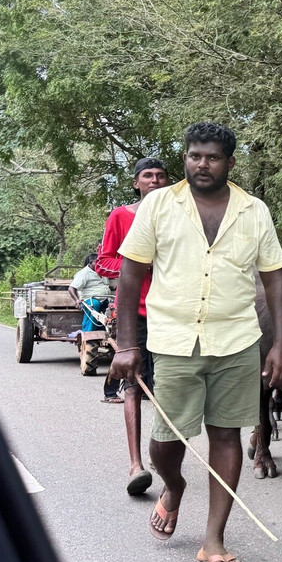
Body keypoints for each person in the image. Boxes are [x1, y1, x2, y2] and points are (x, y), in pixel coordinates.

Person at [110, 122, 282, 562]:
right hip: (173, 340)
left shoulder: (254, 211)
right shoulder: (159, 205)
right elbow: (131, 274)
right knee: (165, 443)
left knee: (226, 434)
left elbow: (274, 278)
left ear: (229, 162)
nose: (201, 164)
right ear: (185, 158)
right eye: (194, 155)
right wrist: (127, 344)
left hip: (237, 340)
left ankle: (213, 539)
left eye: (212, 157)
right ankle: (174, 485)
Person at [96, 157, 169, 491]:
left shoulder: (178, 215)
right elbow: (104, 260)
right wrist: (139, 263)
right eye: (147, 176)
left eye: (160, 176)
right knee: (133, 384)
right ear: (136, 183)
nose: (154, 180)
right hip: (134, 313)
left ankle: (161, 450)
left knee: (168, 387)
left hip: (171, 313)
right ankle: (135, 465)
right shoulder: (121, 215)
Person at [68, 253, 112, 332]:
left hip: (105, 299)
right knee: (94, 304)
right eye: (97, 263)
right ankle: (88, 334)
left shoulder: (103, 271)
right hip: (90, 300)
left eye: (100, 263)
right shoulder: (84, 273)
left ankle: (107, 334)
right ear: (90, 263)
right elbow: (71, 288)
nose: (99, 265)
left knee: (115, 307)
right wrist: (77, 300)